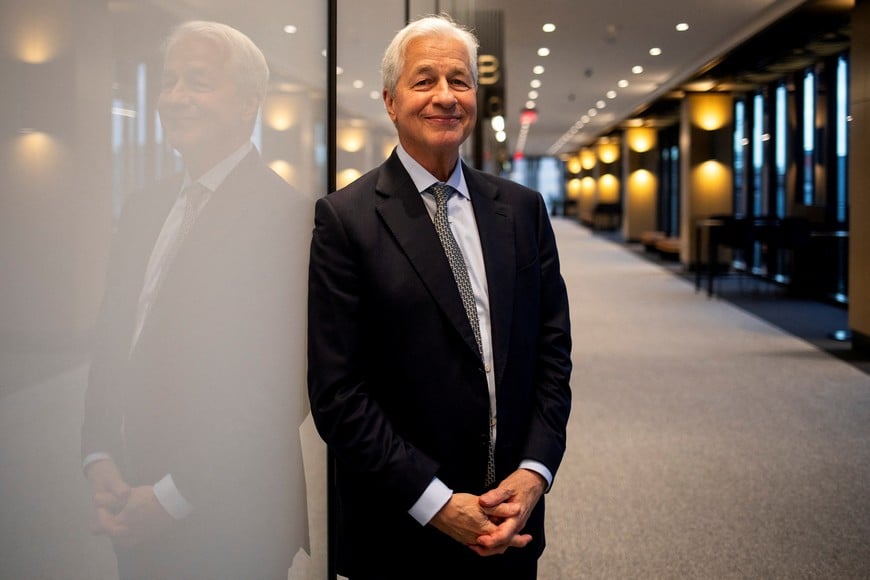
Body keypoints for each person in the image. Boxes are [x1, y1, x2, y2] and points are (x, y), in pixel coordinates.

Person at [307, 14, 572, 580]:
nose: (446, 97)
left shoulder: (522, 210)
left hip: (512, 518)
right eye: (424, 80)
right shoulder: (346, 220)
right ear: (390, 101)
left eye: (461, 80)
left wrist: (535, 471)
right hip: (401, 530)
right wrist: (437, 503)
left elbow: (552, 353)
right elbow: (338, 393)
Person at [81, 20, 311, 579]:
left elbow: (283, 388)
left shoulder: (290, 218)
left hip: (232, 515)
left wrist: (172, 496)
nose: (175, 98)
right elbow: (116, 337)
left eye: (198, 82)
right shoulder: (143, 206)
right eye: (168, 81)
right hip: (131, 489)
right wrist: (98, 452)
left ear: (248, 102)